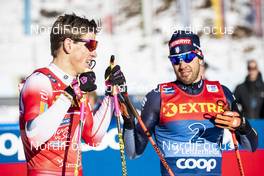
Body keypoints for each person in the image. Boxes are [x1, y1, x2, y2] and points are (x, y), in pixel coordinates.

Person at [122, 30, 258, 176]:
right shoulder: (158, 96)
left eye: (187, 57)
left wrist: (241, 125)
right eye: (175, 60)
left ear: (199, 57)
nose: (182, 65)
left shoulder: (221, 93)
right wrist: (128, 122)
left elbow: (251, 147)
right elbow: (133, 152)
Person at [19, 14, 126, 176]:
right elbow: (34, 136)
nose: (94, 53)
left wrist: (111, 94)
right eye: (91, 45)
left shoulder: (77, 86)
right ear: (68, 45)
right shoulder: (40, 81)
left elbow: (93, 137)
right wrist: (71, 93)